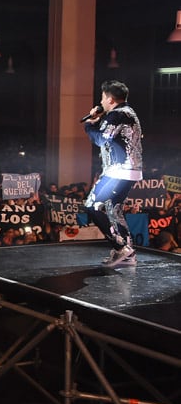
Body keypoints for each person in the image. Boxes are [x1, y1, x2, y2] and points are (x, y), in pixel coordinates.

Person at [82, 80, 143, 267]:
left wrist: (90, 125)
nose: (100, 101)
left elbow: (102, 139)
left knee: (92, 206)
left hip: (119, 171)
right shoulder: (128, 112)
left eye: (102, 97)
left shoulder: (116, 115)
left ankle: (120, 248)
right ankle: (129, 255)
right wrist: (98, 120)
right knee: (113, 209)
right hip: (131, 170)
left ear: (109, 99)